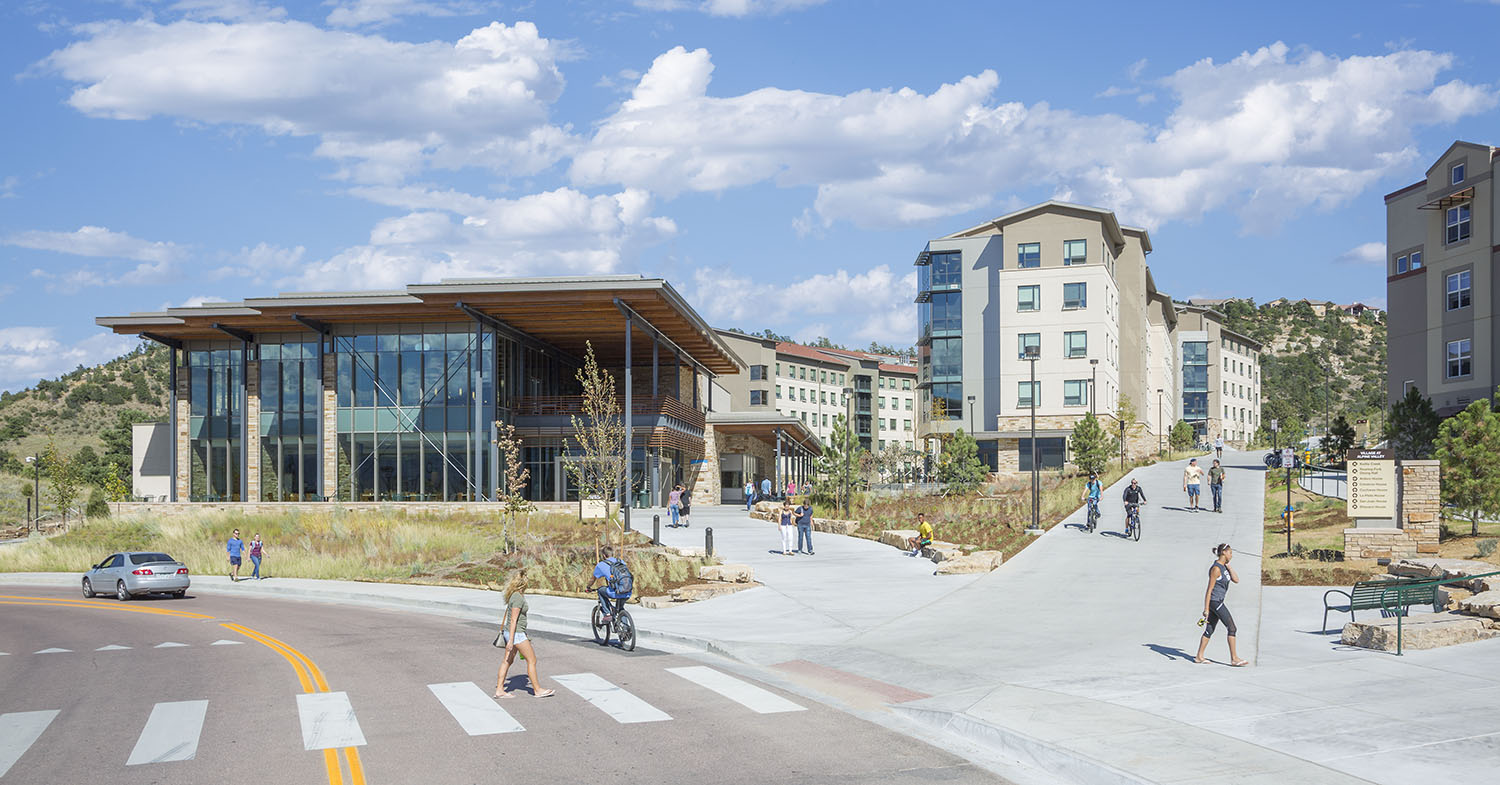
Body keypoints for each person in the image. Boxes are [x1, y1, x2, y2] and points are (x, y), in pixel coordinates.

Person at [494, 569, 555, 698]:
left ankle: (499, 690)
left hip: (514, 633)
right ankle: (537, 690)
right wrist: (511, 640)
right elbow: (513, 620)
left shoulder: (514, 595)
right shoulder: (517, 597)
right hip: (516, 634)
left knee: (507, 661)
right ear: (524, 582)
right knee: (532, 660)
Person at [1195, 543, 1248, 666]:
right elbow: (1209, 590)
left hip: (1218, 601)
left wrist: (1229, 566)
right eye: (1230, 553)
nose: (1231, 555)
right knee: (1232, 628)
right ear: (1224, 553)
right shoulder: (1216, 569)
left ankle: (1199, 656)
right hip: (1215, 602)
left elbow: (1236, 580)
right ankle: (1234, 658)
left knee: (1209, 629)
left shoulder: (1224, 567)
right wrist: (1206, 609)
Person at [588, 546, 631, 622]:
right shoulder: (621, 561)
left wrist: (588, 587)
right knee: (620, 608)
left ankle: (607, 614)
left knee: (601, 590)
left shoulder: (601, 565)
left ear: (604, 555)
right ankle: (626, 630)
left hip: (615, 592)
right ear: (612, 554)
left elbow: (593, 579)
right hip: (627, 591)